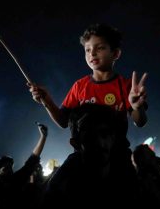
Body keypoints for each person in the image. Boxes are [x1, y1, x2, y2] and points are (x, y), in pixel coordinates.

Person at [28, 23, 148, 175]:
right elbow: (63, 121)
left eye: (100, 48)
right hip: (83, 156)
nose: (92, 54)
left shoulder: (125, 86)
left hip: (116, 157)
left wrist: (137, 107)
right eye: (88, 50)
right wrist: (47, 101)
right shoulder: (80, 86)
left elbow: (140, 122)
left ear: (116, 53)